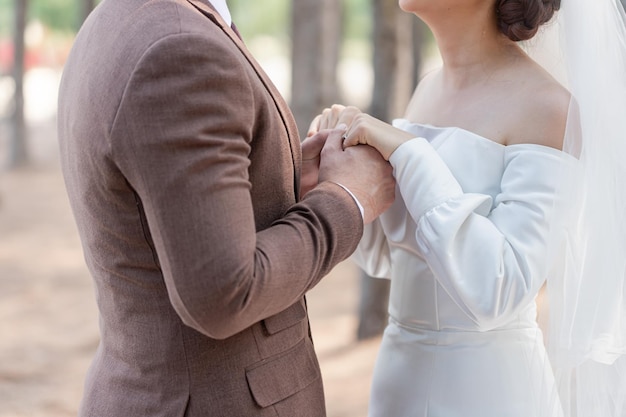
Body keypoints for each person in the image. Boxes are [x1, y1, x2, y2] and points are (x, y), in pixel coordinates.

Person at [56, 0, 396, 415]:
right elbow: (225, 293)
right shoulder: (179, 48)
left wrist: (282, 177)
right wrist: (348, 199)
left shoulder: (121, 16)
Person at [311, 0, 626, 416]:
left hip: (487, 391)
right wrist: (341, 164)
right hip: (398, 381)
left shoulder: (550, 108)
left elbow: (500, 289)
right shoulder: (427, 88)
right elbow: (394, 255)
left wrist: (410, 154)